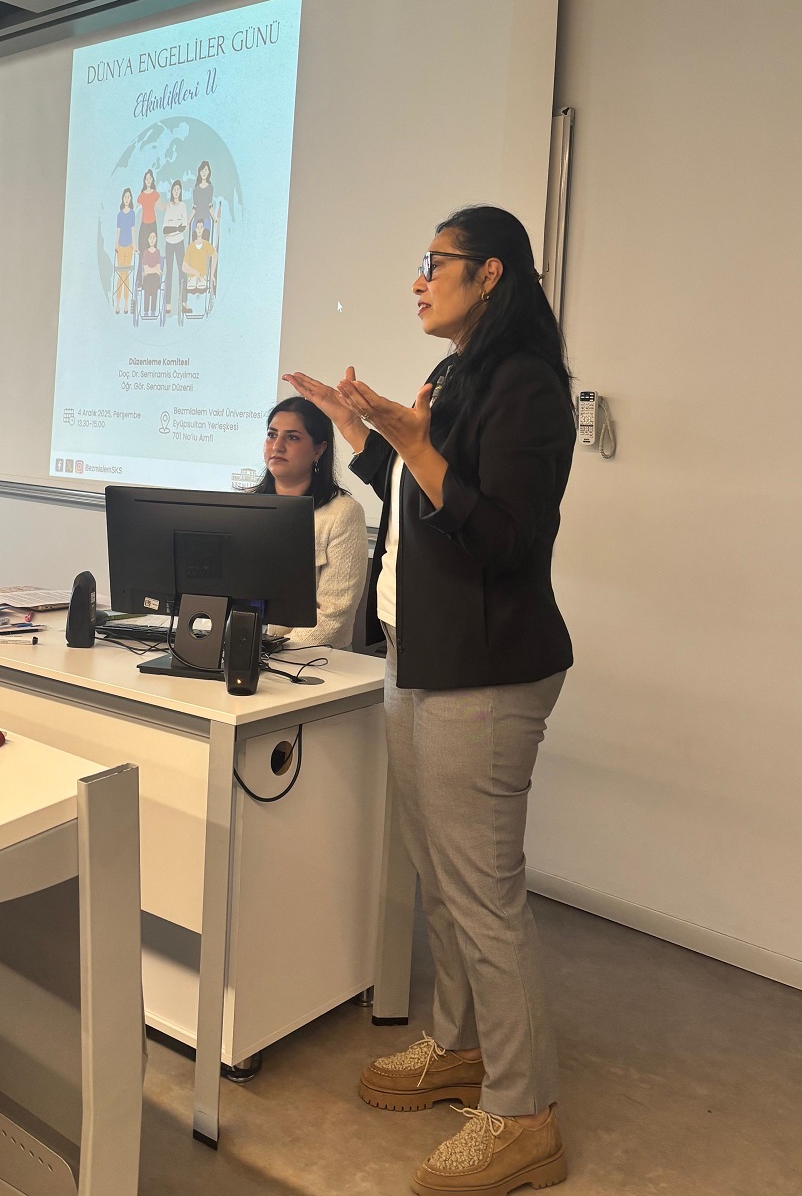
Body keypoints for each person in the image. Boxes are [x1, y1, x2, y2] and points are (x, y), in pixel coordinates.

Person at [285, 205, 576, 1196]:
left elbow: (503, 537)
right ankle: (460, 1044)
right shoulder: (456, 375)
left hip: (486, 669)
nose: (418, 280)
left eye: (434, 263)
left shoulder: (526, 385)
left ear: (490, 274)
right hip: (420, 652)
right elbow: (428, 505)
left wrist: (412, 441)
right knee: (441, 880)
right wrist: (367, 439)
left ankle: (524, 1113)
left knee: (484, 894)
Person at [254, 397, 368, 650]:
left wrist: (273, 652)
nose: (277, 446)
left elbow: (334, 615)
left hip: (312, 659)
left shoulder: (342, 513)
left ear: (319, 449)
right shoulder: (247, 506)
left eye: (292, 437)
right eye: (272, 435)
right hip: (244, 649)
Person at [161, 179, 189, 311]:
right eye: (174, 189)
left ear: (180, 191)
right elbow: (164, 229)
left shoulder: (183, 205)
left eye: (178, 189)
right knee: (169, 273)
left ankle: (183, 302)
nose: (176, 191)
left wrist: (173, 230)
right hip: (169, 244)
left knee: (182, 272)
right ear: (172, 191)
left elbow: (184, 227)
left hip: (179, 243)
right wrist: (176, 228)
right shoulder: (169, 206)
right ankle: (168, 304)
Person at [113, 187, 135, 314]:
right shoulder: (119, 215)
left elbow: (133, 229)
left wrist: (134, 244)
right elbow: (118, 231)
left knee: (126, 274)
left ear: (130, 199)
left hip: (129, 246)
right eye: (125, 197)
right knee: (121, 274)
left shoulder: (132, 213)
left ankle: (126, 303)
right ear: (122, 199)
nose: (127, 199)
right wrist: (116, 245)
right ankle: (118, 303)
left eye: (128, 197)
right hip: (121, 246)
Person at [181, 219, 217, 297]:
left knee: (201, 288)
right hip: (192, 277)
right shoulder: (190, 247)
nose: (199, 229)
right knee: (192, 288)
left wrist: (212, 274)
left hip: (202, 276)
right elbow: (184, 267)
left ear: (203, 229)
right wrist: (195, 272)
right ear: (195, 229)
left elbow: (215, 255)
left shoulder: (206, 245)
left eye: (201, 227)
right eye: (198, 227)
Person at [136, 228, 162, 316]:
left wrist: (152, 270)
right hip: (147, 278)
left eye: (154, 237)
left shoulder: (157, 252)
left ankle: (153, 311)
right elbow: (146, 269)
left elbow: (158, 268)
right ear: (148, 239)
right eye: (150, 237)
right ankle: (146, 311)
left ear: (156, 239)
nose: (152, 239)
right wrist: (155, 270)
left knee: (155, 288)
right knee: (146, 288)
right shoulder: (145, 252)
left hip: (155, 277)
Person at [191, 159, 214, 238]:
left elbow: (210, 205)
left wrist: (214, 219)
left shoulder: (210, 188)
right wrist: (189, 221)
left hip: (206, 218)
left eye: (206, 170)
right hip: (197, 218)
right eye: (202, 170)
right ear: (200, 172)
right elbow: (194, 206)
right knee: (195, 240)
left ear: (208, 172)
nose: (204, 173)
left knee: (205, 240)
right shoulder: (196, 189)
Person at [136, 168, 160, 233]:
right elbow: (136, 207)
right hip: (144, 222)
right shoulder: (142, 195)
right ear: (144, 181)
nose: (148, 181)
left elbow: (160, 206)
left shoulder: (155, 194)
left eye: (150, 178)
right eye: (147, 179)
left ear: (152, 179)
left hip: (153, 221)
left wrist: (167, 205)